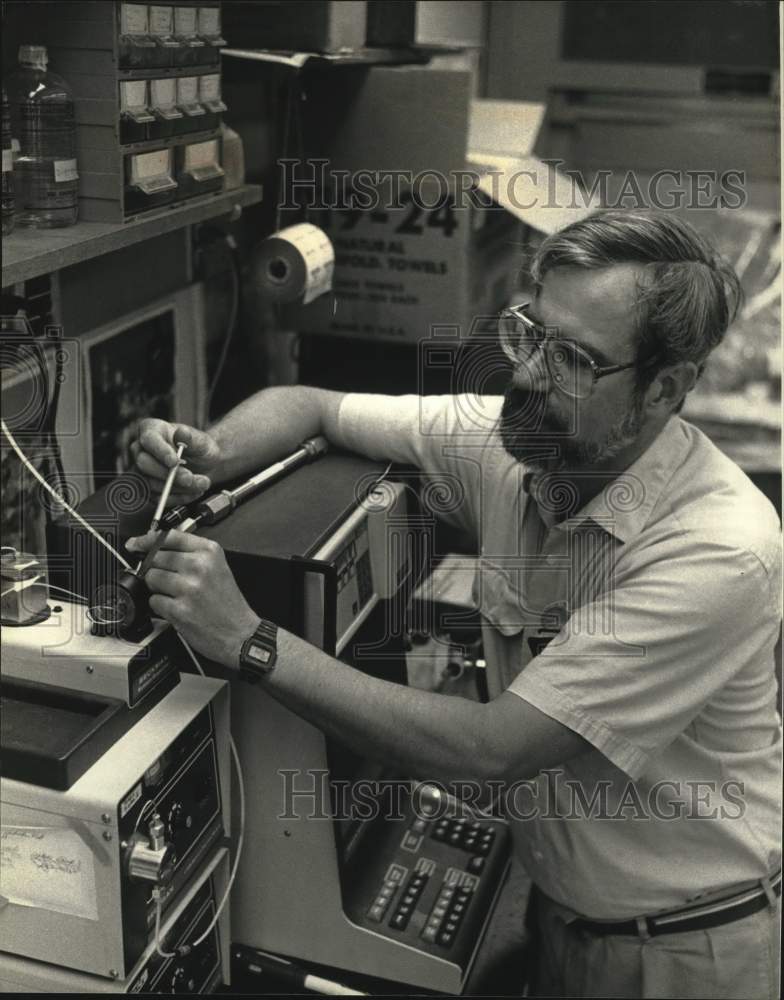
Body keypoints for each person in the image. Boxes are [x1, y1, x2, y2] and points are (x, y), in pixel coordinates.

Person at [128, 210, 781, 999]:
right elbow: (312, 404)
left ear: (666, 388)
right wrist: (210, 455)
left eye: (573, 359)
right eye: (529, 334)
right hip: (562, 913)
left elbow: (490, 747)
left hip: (686, 951)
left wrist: (251, 640)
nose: (531, 374)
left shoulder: (716, 547)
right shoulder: (521, 444)